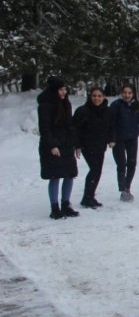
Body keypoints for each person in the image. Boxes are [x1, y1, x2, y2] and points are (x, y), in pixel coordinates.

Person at [38, 77, 80, 219]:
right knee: (55, 176)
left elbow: (70, 125)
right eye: (61, 89)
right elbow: (45, 128)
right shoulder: (45, 105)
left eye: (65, 89)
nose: (64, 92)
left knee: (70, 174)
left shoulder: (65, 103)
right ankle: (54, 207)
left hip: (66, 144)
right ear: (55, 90)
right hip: (53, 144)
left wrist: (75, 143)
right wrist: (52, 145)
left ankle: (66, 204)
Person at [109, 83, 139, 202]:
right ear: (121, 93)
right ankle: (122, 188)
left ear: (133, 94)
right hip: (118, 139)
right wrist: (112, 139)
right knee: (121, 164)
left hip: (132, 138)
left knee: (132, 163)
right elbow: (111, 124)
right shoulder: (115, 105)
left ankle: (127, 187)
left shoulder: (137, 106)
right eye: (125, 93)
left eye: (129, 93)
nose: (127, 95)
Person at [73, 86, 110, 209]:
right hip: (87, 146)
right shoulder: (82, 111)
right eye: (94, 96)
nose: (97, 98)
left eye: (99, 96)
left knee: (98, 171)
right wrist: (77, 145)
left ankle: (90, 196)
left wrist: (111, 139)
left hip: (101, 145)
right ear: (90, 97)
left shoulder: (106, 111)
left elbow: (110, 127)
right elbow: (75, 129)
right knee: (94, 169)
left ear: (103, 97)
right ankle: (87, 198)